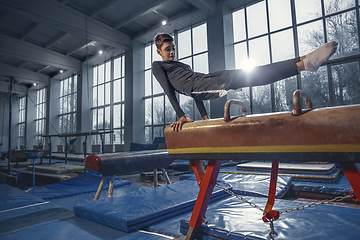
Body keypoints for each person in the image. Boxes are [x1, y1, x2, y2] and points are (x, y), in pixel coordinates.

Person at [152, 33, 338, 131]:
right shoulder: (157, 66)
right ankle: (303, 65)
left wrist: (205, 117)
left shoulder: (182, 64)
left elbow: (195, 96)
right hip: (201, 85)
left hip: (205, 79)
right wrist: (181, 115)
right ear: (159, 51)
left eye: (173, 48)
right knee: (252, 77)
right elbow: (170, 91)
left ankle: (302, 59)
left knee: (250, 71)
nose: (172, 52)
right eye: (168, 49)